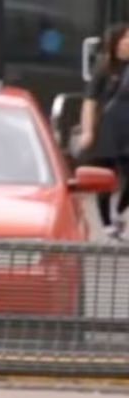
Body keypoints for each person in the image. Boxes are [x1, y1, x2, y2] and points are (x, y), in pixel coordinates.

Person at [78, 23, 129, 237]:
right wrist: (88, 131)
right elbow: (90, 101)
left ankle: (119, 210)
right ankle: (107, 223)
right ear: (117, 42)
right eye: (126, 38)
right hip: (107, 127)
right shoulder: (105, 67)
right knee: (105, 176)